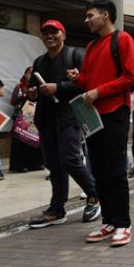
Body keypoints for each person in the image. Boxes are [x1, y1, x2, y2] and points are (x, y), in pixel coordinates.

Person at [67, 0, 134, 247]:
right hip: (93, 117)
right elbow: (87, 81)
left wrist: (99, 91)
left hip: (115, 113)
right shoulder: (91, 46)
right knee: (98, 170)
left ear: (105, 15)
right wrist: (78, 79)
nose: (87, 20)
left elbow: (130, 77)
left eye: (90, 15)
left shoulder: (123, 40)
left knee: (116, 171)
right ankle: (108, 221)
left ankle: (123, 224)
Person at [26, 20, 101, 229]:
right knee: (53, 165)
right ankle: (57, 209)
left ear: (63, 35)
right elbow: (33, 87)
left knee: (70, 158)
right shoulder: (39, 61)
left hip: (70, 116)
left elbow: (89, 82)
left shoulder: (75, 56)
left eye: (54, 32)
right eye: (46, 33)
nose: (50, 36)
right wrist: (32, 92)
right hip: (46, 118)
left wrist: (58, 87)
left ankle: (95, 194)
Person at [8, 66, 45, 173]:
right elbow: (13, 101)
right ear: (25, 74)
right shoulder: (20, 86)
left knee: (35, 138)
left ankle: (36, 163)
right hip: (23, 116)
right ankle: (19, 165)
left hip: (36, 115)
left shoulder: (41, 86)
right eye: (29, 73)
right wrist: (25, 94)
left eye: (33, 73)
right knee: (20, 139)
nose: (31, 75)